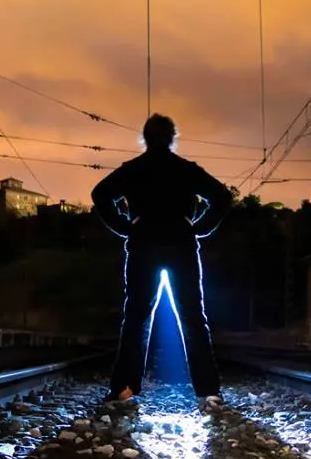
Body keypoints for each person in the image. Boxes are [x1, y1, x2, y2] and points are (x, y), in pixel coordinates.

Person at [91, 114, 233, 404]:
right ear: (172, 138)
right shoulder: (185, 170)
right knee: (193, 317)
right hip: (181, 242)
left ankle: (123, 388)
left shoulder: (133, 170)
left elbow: (100, 194)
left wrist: (125, 227)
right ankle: (209, 391)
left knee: (135, 318)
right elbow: (222, 197)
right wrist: (200, 228)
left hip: (143, 242)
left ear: (145, 138)